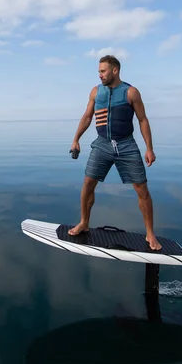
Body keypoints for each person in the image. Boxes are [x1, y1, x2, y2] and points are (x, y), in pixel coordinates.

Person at [68, 55, 162, 251]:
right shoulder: (96, 92)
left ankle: (150, 233)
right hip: (102, 145)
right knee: (87, 184)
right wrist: (76, 139)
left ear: (115, 71)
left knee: (141, 190)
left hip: (126, 145)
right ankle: (84, 222)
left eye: (103, 71)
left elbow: (143, 119)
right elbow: (87, 116)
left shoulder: (131, 92)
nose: (100, 75)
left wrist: (149, 148)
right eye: (99, 72)